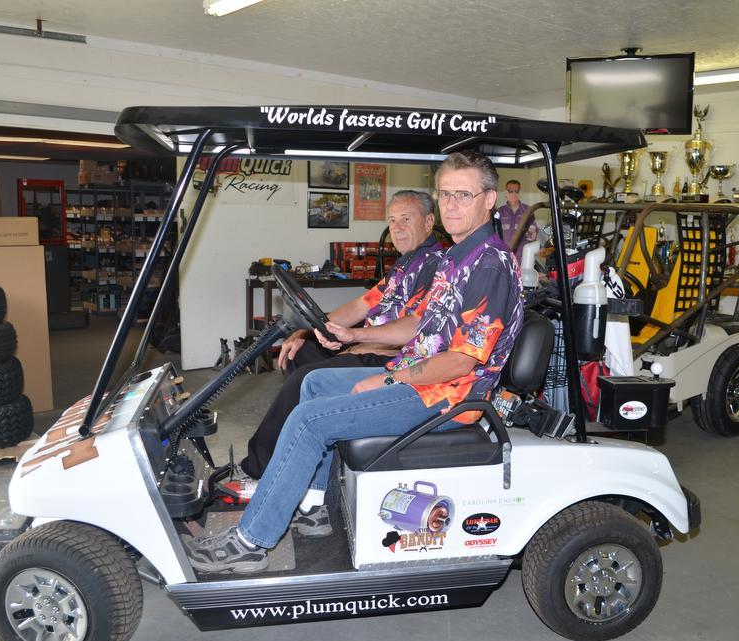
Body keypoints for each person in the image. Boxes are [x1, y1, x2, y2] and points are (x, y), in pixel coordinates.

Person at [185, 150, 524, 573]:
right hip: (421, 381)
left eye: (463, 195)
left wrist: (388, 380)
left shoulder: (488, 264)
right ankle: (313, 508)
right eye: (444, 194)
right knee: (310, 385)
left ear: (489, 200)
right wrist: (353, 334)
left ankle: (253, 540)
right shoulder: (456, 259)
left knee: (310, 420)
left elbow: (459, 362)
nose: (451, 205)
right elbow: (419, 324)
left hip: (447, 398)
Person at [218, 190, 445, 537]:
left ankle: (258, 469)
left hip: (392, 358)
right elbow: (359, 306)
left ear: (429, 222)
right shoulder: (406, 265)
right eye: (393, 220)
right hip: (368, 344)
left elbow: (415, 333)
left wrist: (353, 344)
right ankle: (308, 470)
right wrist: (309, 331)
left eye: (407, 219)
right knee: (299, 354)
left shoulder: (437, 267)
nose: (397, 228)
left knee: (307, 379)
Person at [495, 179, 538, 257]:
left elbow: (534, 229)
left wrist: (533, 232)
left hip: (522, 256)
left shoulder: (528, 210)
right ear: (505, 193)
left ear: (520, 193)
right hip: (504, 255)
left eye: (516, 191)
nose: (513, 194)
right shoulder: (499, 212)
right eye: (510, 191)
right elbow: (494, 233)